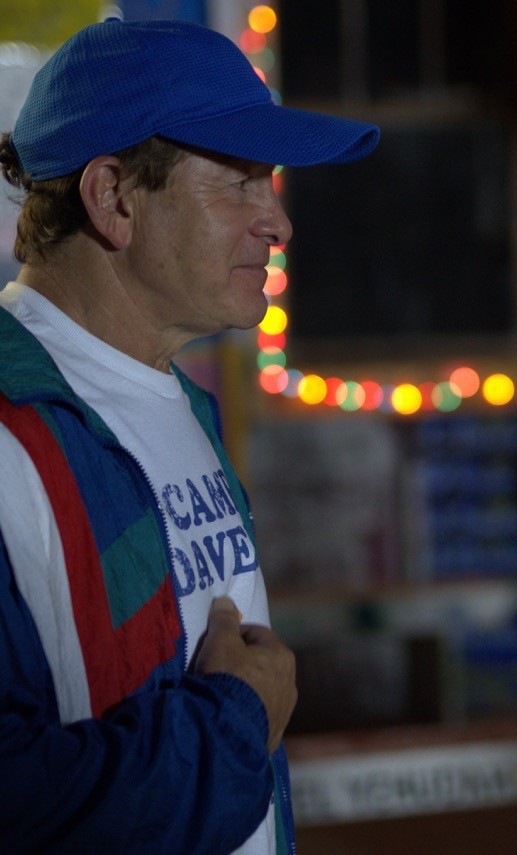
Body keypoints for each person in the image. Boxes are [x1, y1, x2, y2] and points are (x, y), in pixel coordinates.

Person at [0, 18, 378, 854]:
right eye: (239, 182)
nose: (276, 223)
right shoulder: (11, 437)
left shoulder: (173, 396)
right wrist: (234, 724)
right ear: (114, 197)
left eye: (268, 181)